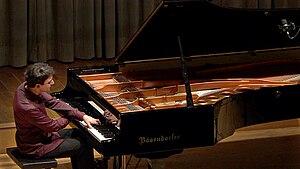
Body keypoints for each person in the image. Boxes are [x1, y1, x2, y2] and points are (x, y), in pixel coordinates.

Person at [13, 62, 101, 169]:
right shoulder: (28, 108)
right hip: (35, 147)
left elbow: (54, 102)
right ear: (38, 86)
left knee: (81, 133)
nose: (53, 83)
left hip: (43, 136)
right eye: (49, 82)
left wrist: (82, 116)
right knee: (82, 146)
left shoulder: (26, 86)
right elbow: (53, 126)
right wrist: (71, 115)